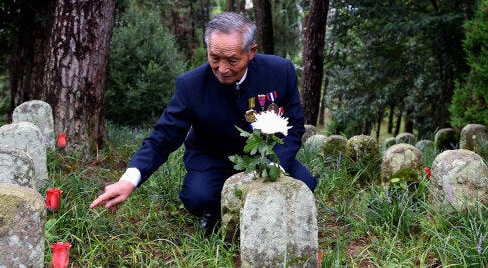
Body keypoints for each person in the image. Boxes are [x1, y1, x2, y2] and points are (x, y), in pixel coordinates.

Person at [90, 12, 318, 232]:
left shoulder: (280, 71)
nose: (222, 69)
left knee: (304, 184)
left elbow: (295, 125)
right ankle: (215, 214)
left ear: (251, 51)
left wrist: (274, 165)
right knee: (198, 197)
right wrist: (129, 179)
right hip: (213, 158)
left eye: (232, 60)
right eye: (214, 58)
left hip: (264, 156)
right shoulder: (191, 85)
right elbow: (162, 138)